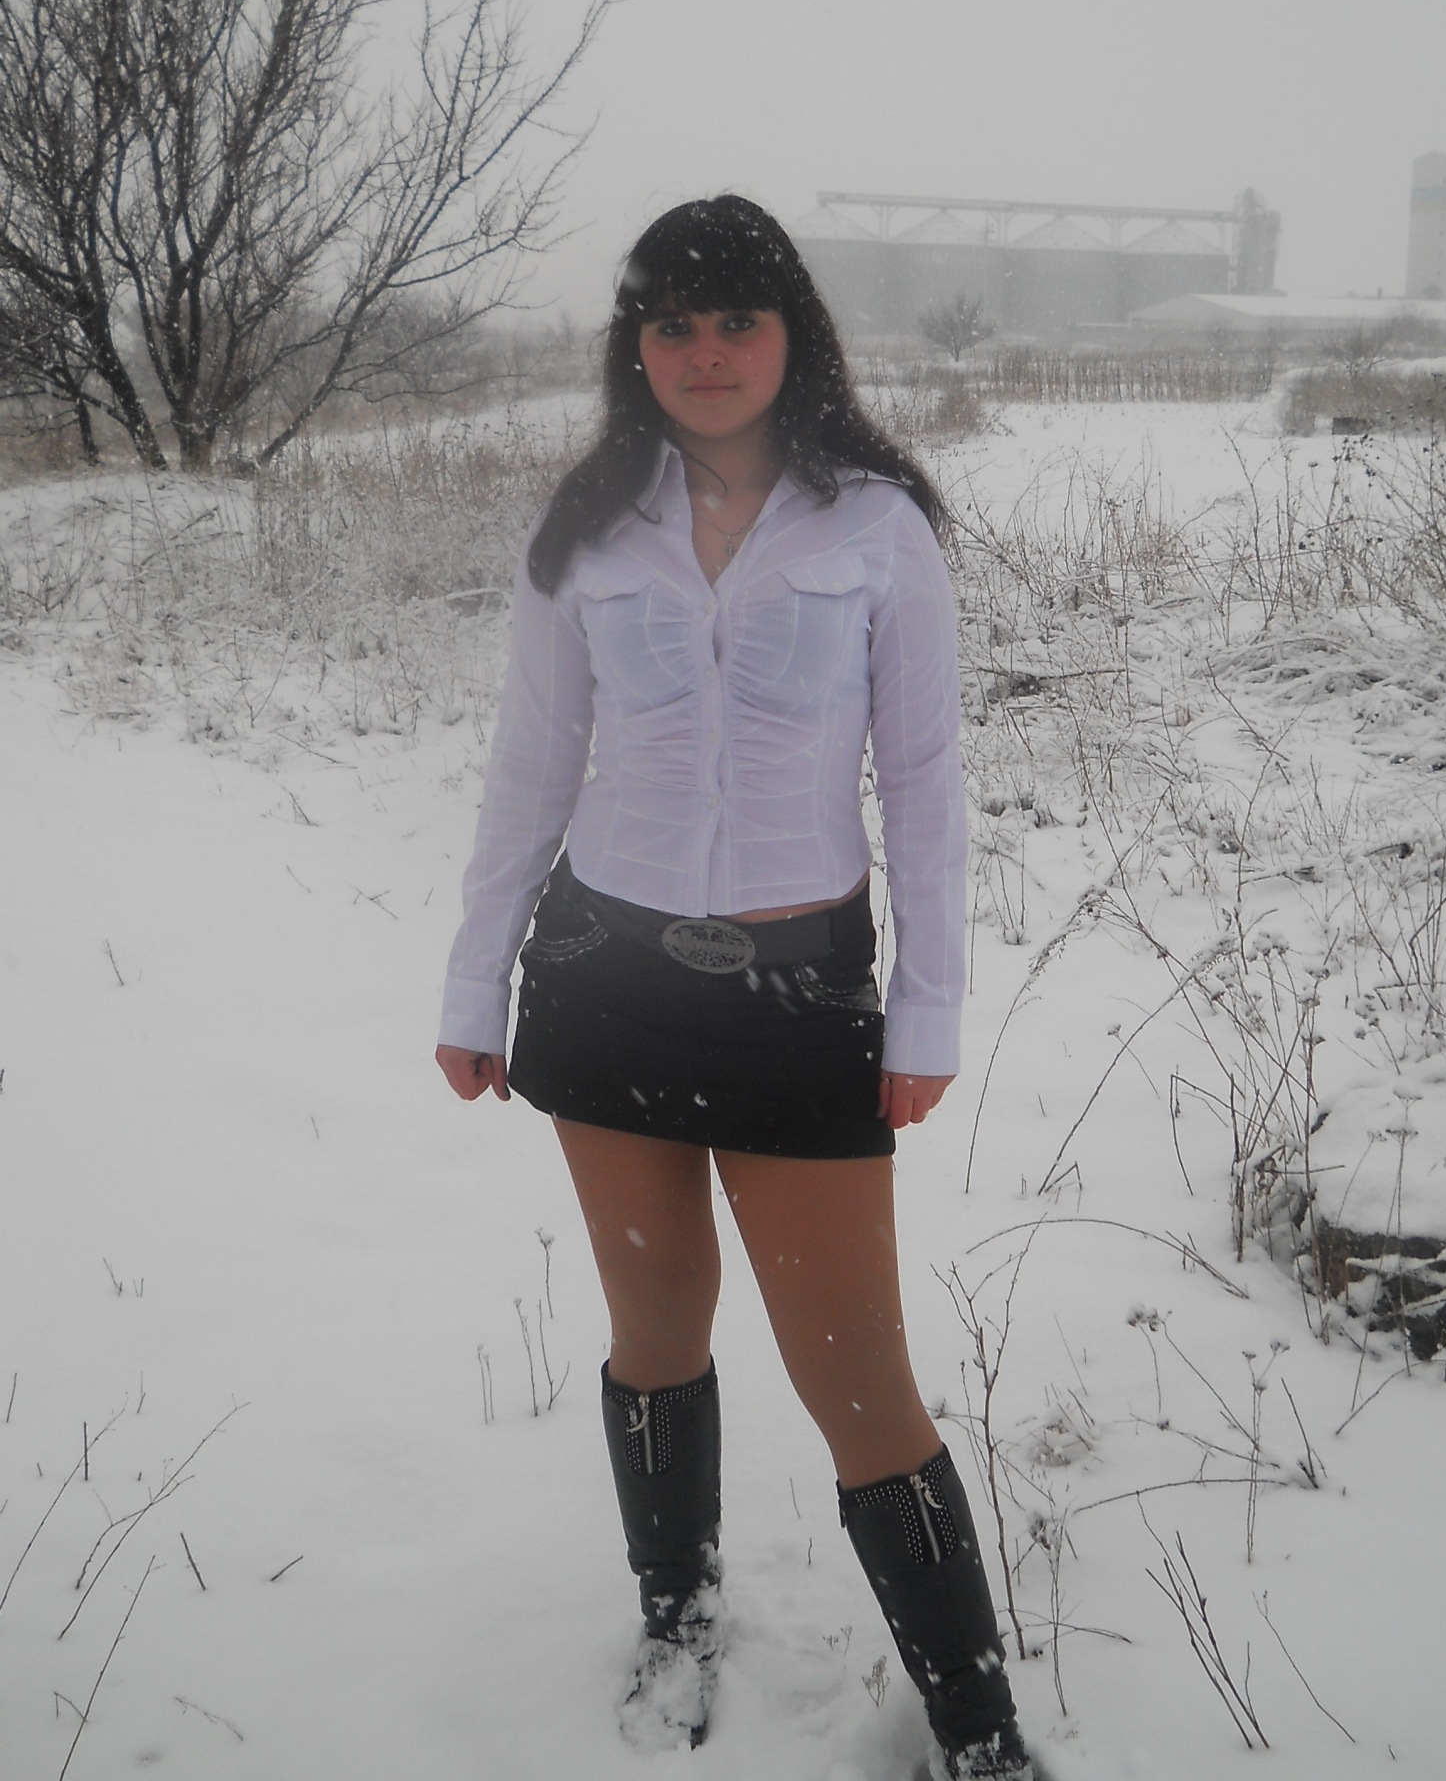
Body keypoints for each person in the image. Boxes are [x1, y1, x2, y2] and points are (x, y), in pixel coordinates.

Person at [435, 196, 1034, 1780]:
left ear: (793, 336)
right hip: (604, 979)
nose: (705, 353)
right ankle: (678, 1618)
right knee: (655, 1324)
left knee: (859, 1379)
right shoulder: (588, 530)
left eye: (736, 320)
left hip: (797, 997)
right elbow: (531, 767)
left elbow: (926, 784)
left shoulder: (876, 528)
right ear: (635, 344)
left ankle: (979, 1731)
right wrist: (475, 979)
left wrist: (926, 1008)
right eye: (673, 323)